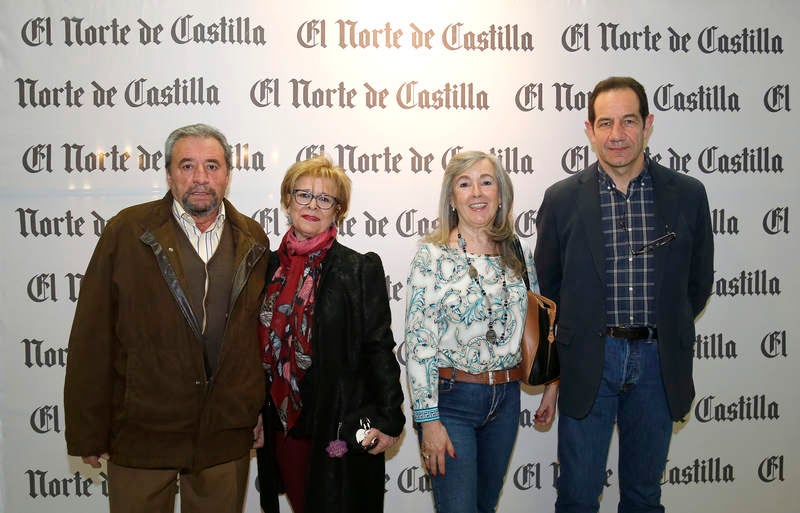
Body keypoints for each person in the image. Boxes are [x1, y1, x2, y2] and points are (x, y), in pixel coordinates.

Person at [63, 123, 270, 513]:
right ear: (169, 174)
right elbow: (93, 334)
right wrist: (87, 429)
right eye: (187, 166)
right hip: (143, 429)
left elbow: (255, 337)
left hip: (224, 432)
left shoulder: (253, 237)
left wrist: (255, 408)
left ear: (228, 174)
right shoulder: (127, 232)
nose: (200, 177)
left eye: (212, 166)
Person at [534, 76, 715, 513]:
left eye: (629, 121)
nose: (617, 134)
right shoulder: (561, 199)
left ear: (648, 125)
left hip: (657, 363)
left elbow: (698, 283)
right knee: (577, 496)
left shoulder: (688, 195)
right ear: (590, 129)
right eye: (606, 123)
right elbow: (549, 288)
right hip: (588, 362)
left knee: (643, 497)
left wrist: (665, 326)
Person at [404, 150, 558, 513]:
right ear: (452, 198)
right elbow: (419, 343)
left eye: (486, 182)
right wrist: (428, 421)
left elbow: (540, 323)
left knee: (486, 508)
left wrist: (552, 386)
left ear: (501, 194)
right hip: (452, 402)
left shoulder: (519, 251)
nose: (477, 193)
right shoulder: (432, 257)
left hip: (506, 400)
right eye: (464, 184)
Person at [255, 155, 405, 513]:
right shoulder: (264, 267)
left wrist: (389, 418)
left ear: (338, 210)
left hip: (338, 427)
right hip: (284, 427)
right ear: (287, 200)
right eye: (303, 194)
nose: (312, 205)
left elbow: (378, 347)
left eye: (325, 198)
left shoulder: (358, 268)